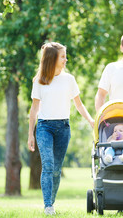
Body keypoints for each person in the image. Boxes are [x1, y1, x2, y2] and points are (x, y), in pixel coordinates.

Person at [27, 42, 94, 215]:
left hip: (63, 127)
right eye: (63, 56)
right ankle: (48, 205)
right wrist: (30, 135)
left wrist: (91, 121)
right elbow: (34, 109)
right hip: (44, 127)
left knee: (56, 170)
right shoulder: (40, 81)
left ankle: (51, 202)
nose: (65, 59)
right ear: (52, 58)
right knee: (48, 165)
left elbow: (78, 105)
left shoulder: (69, 80)